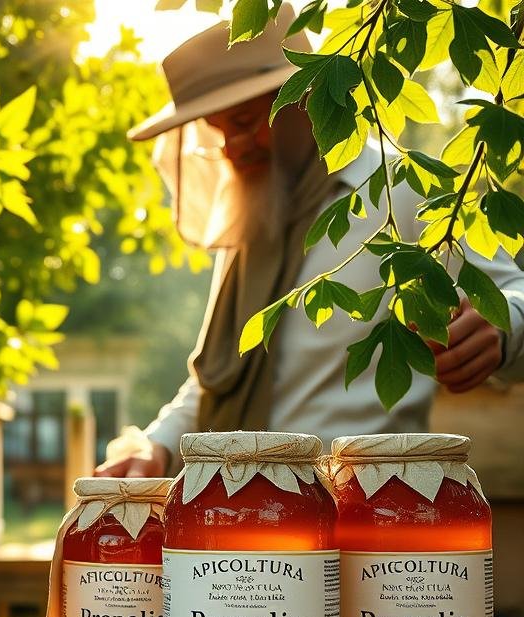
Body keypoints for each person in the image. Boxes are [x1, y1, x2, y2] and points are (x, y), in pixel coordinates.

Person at [97, 7, 524, 478]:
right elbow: (216, 378)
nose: (232, 148)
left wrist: (502, 329)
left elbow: (514, 294)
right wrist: (155, 446)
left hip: (365, 519)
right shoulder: (250, 226)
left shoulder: (402, 188)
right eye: (217, 133)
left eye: (242, 120)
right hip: (238, 523)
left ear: (303, 95)